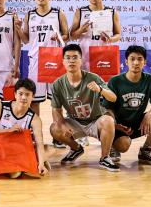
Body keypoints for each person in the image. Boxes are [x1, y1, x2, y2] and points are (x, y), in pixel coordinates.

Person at [49, 44, 120, 172]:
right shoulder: (57, 84)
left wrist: (100, 89)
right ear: (63, 61)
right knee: (55, 128)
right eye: (68, 58)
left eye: (75, 57)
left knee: (108, 120)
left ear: (81, 60)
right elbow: (56, 110)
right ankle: (76, 149)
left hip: (95, 121)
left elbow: (113, 98)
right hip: (75, 122)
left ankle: (104, 157)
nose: (71, 61)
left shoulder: (93, 78)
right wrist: (62, 125)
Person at [103, 45, 151, 167]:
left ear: (144, 62)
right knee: (123, 145)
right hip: (118, 125)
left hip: (138, 122)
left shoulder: (150, 80)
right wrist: (114, 124)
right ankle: (113, 146)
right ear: (126, 61)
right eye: (132, 59)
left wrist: (148, 114)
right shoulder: (115, 81)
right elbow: (108, 108)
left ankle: (145, 151)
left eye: (140, 59)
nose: (136, 62)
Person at [16, 0, 69, 113]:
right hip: (36, 59)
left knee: (56, 99)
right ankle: (35, 126)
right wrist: (18, 28)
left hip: (53, 59)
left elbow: (67, 35)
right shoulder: (29, 15)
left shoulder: (59, 13)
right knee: (34, 99)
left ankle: (57, 126)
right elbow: (26, 39)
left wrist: (59, 37)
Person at [0, 78, 49, 178]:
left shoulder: (35, 119)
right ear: (15, 94)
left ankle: (37, 162)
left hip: (17, 151)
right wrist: (8, 131)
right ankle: (20, 165)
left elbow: (39, 143)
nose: (23, 97)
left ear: (33, 96)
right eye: (21, 94)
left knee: (44, 150)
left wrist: (41, 164)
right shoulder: (2, 106)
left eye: (27, 94)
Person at [70, 0, 121, 72]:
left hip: (104, 55)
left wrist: (111, 39)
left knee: (104, 81)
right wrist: (80, 31)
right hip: (85, 56)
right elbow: (72, 36)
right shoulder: (80, 12)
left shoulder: (112, 12)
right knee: (86, 81)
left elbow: (118, 34)